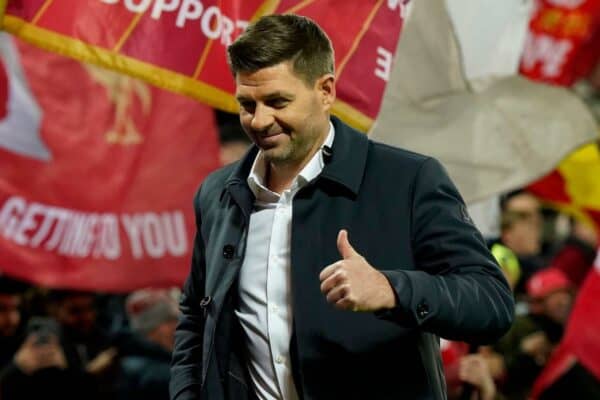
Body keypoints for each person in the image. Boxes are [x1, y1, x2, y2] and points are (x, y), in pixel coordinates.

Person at [170, 14, 514, 400]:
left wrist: (392, 290)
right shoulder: (217, 194)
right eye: (247, 104)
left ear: (326, 90)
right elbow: (197, 317)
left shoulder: (409, 180)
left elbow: (491, 303)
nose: (260, 120)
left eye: (277, 101)